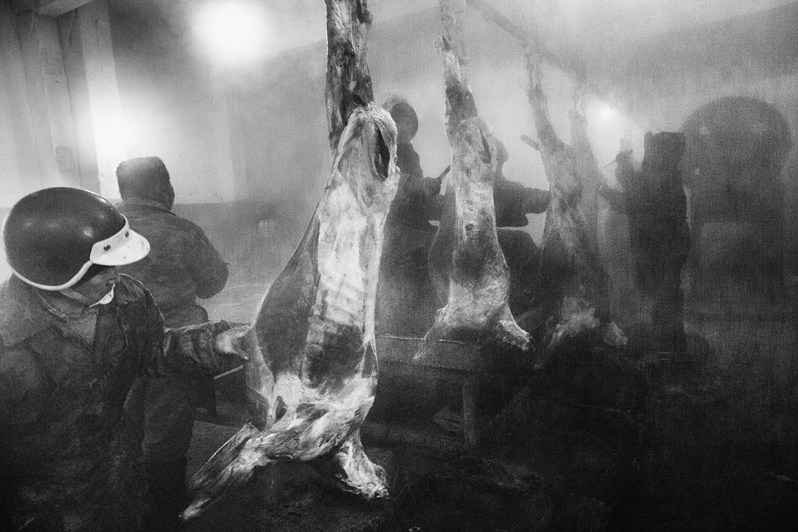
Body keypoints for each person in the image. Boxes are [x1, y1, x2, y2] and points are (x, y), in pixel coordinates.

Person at [0, 187, 247, 531]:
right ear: (56, 272)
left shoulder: (128, 298)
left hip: (120, 485)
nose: (115, 276)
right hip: (41, 510)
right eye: (102, 270)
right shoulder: (7, 338)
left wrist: (218, 342)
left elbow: (154, 351)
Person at [115, 156, 229, 530]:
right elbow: (212, 283)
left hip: (116, 343)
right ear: (165, 186)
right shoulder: (182, 231)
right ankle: (165, 510)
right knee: (166, 430)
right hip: (177, 344)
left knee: (123, 423)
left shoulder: (104, 229)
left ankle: (128, 502)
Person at [599, 132, 690, 352]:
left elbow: (634, 202)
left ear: (664, 153)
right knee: (662, 294)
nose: (648, 155)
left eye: (653, 150)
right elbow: (636, 185)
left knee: (666, 296)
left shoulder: (666, 176)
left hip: (667, 245)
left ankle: (669, 348)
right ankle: (669, 344)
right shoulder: (659, 172)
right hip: (658, 243)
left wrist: (603, 190)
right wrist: (623, 168)